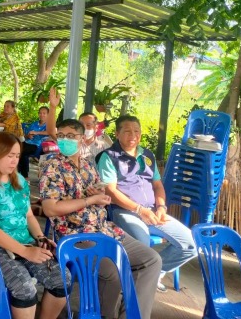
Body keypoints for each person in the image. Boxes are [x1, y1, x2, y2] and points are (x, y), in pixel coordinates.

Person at [39, 100, 161, 319]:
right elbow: (50, 209)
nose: (65, 139)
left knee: (151, 260)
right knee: (112, 272)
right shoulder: (52, 167)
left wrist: (99, 195)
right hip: (76, 234)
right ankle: (103, 315)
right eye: (62, 135)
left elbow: (100, 194)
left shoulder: (88, 164)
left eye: (71, 136)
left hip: (105, 229)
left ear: (81, 139)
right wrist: (88, 200)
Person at [0, 132, 66, 319]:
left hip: (23, 243)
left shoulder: (18, 180)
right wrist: (25, 251)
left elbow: (28, 215)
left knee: (62, 280)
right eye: (9, 155)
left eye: (17, 156)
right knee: (24, 287)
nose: (14, 161)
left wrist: (40, 238)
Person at [97, 115, 197, 292]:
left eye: (136, 131)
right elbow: (110, 191)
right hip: (124, 211)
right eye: (127, 131)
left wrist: (161, 207)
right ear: (117, 134)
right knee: (143, 246)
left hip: (152, 211)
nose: (133, 135)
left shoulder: (147, 155)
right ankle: (132, 284)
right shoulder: (109, 157)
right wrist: (139, 210)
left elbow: (157, 185)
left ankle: (154, 273)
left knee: (191, 244)